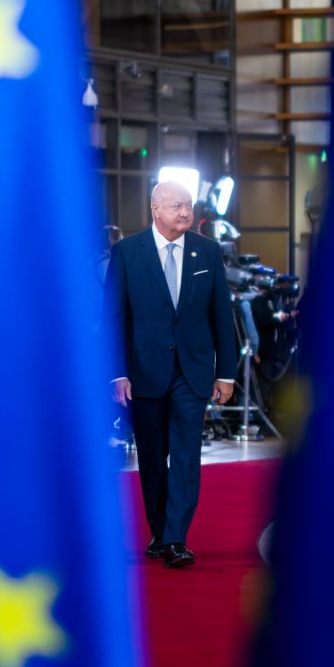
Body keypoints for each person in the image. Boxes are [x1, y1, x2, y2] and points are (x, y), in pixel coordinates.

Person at [107, 182, 236, 567]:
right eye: (177, 206)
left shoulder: (208, 252)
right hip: (144, 373)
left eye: (189, 205)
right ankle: (159, 530)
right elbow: (113, 317)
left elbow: (222, 317)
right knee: (151, 457)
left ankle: (176, 538)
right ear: (155, 209)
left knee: (185, 456)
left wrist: (225, 374)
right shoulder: (127, 253)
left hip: (193, 374)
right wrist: (117, 374)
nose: (185, 212)